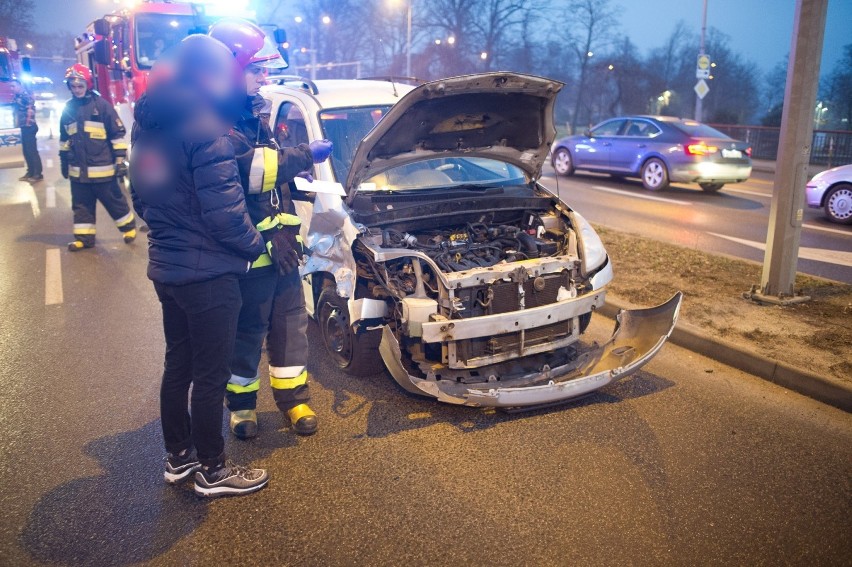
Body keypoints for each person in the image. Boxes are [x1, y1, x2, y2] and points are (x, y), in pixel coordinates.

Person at [129, 34, 270, 498]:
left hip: (167, 271)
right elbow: (226, 214)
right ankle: (213, 468)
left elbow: (142, 197)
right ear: (211, 76)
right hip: (210, 277)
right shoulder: (205, 127)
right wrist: (254, 248)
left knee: (179, 366)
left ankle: (178, 458)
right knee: (211, 376)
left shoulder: (146, 126)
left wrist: (172, 233)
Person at [209, 19, 334, 439]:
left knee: (289, 326)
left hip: (280, 249)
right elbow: (254, 173)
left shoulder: (252, 113)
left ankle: (293, 399)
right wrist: (305, 155)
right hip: (247, 255)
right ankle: (242, 408)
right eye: (257, 70)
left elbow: (270, 185)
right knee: (247, 332)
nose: (265, 78)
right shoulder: (217, 120)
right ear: (229, 70)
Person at [59, 64, 137, 251]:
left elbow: (117, 135)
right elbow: (64, 138)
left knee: (114, 202)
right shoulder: (67, 109)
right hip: (78, 172)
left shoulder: (101, 106)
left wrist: (120, 161)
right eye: (73, 86)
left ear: (87, 85)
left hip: (102, 170)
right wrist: (63, 160)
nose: (77, 90)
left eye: (80, 86)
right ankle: (84, 239)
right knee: (81, 206)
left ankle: (128, 228)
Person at [11, 79, 43, 182]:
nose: (12, 88)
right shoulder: (17, 97)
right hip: (22, 127)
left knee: (32, 151)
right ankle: (30, 172)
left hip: (29, 127)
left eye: (14, 86)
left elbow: (30, 110)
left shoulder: (26, 96)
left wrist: (28, 123)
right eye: (11, 87)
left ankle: (38, 174)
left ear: (19, 86)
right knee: (26, 151)